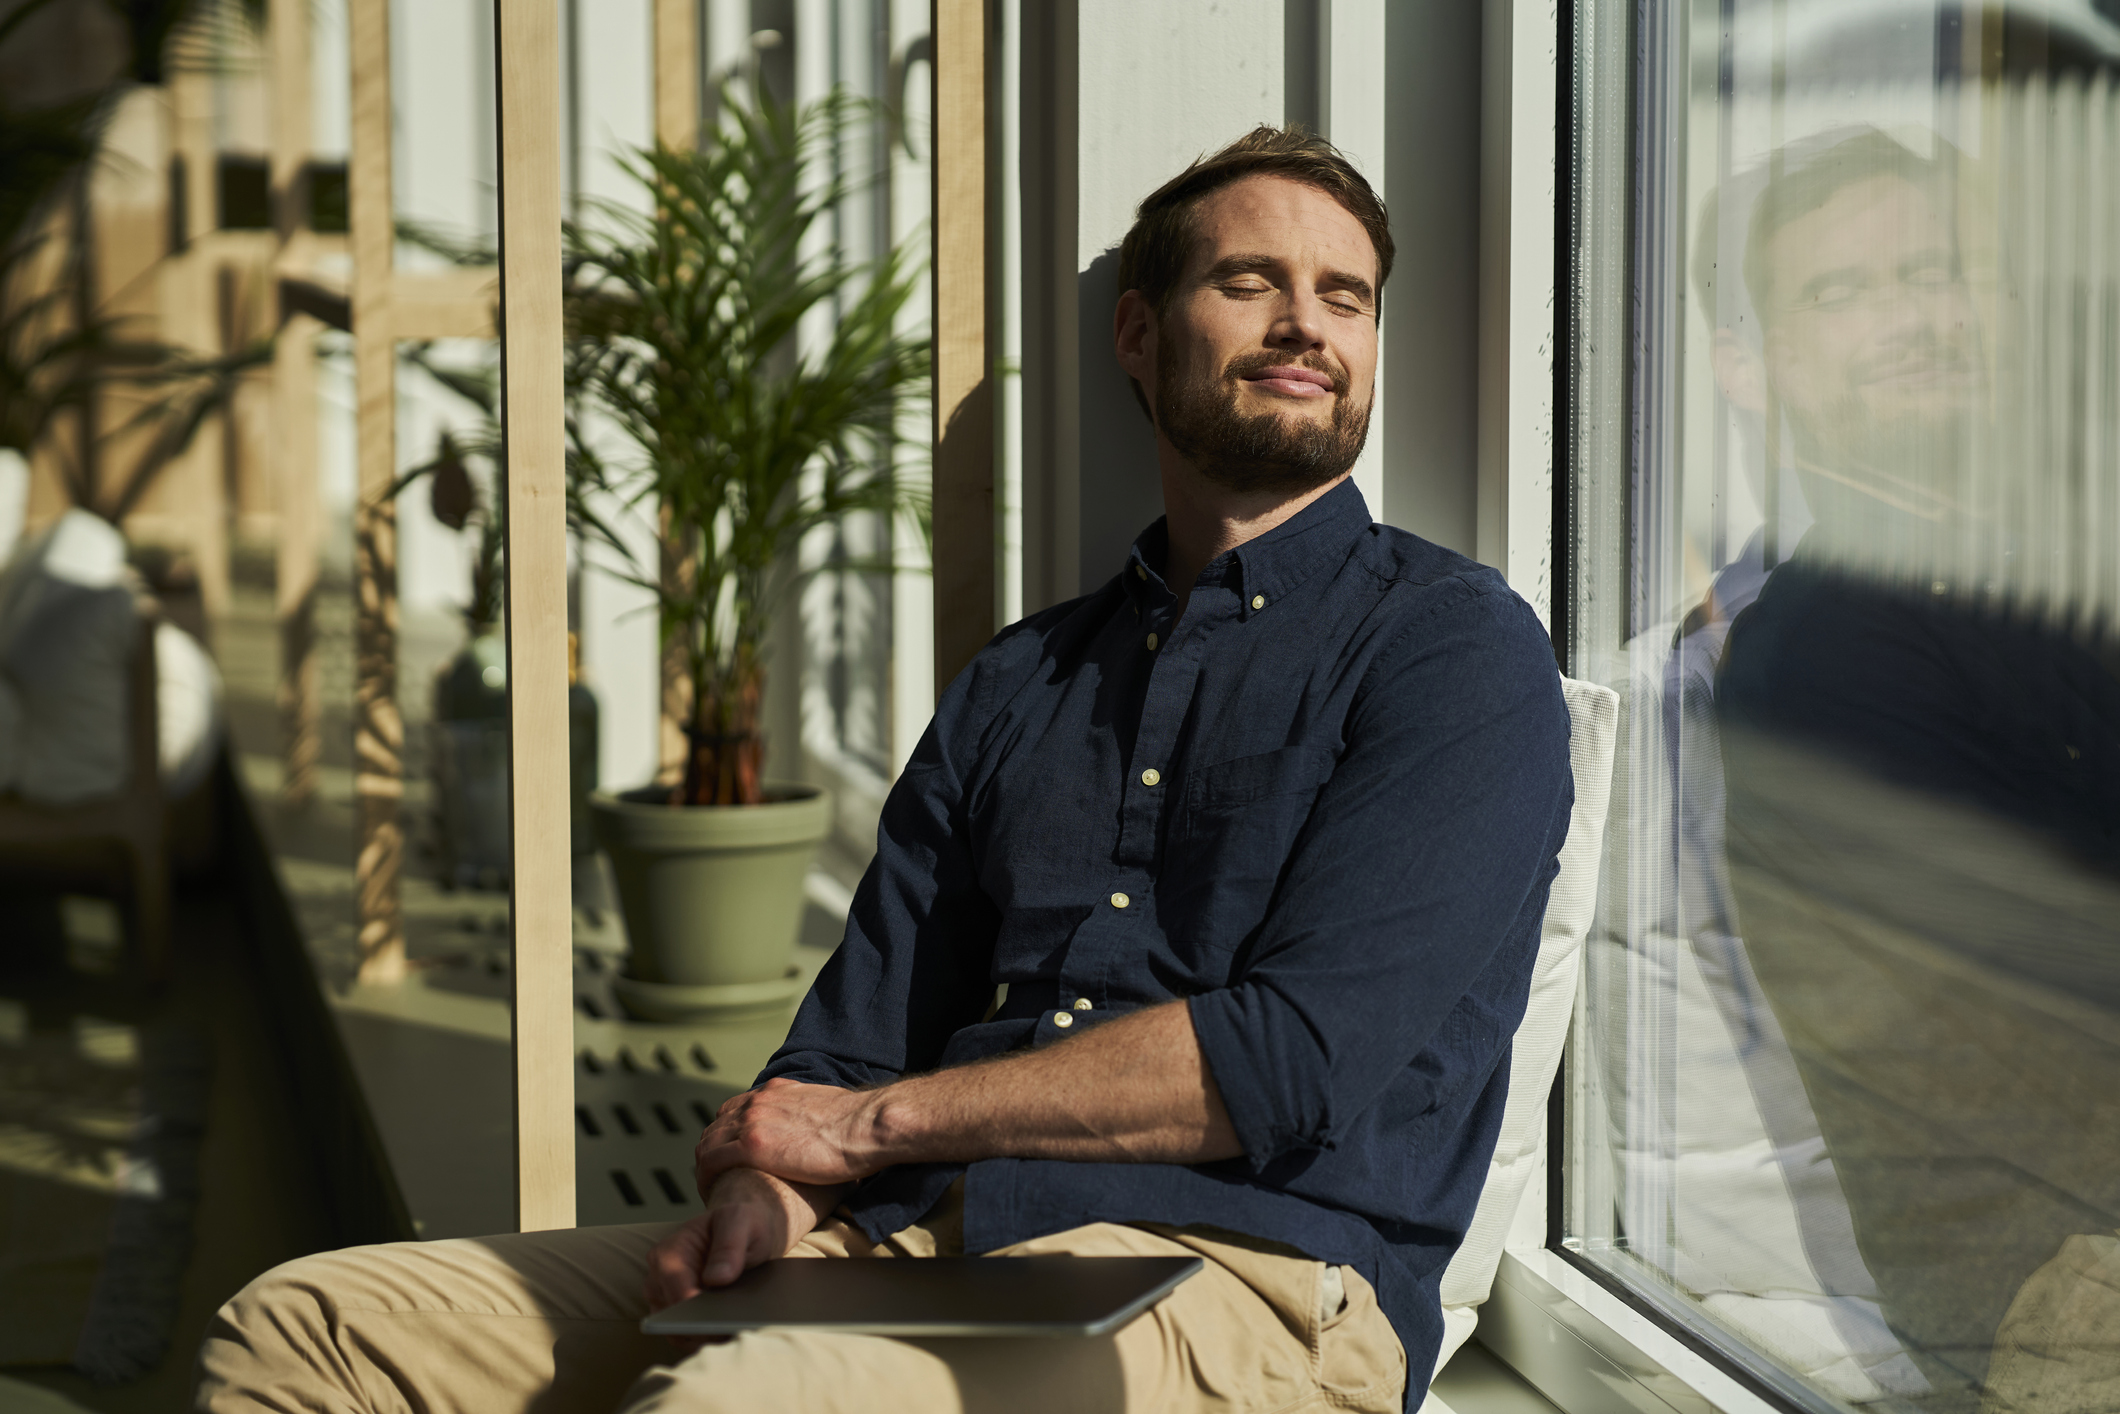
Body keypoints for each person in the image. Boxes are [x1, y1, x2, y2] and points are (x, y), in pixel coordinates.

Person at [194, 125, 1574, 1414]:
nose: (1307, 326)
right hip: (913, 1239)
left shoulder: (1451, 650)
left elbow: (1285, 1062)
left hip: (1249, 1280)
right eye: (1251, 281)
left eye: (1346, 297)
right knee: (304, 1326)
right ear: (1139, 335)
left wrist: (865, 1129)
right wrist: (769, 1195)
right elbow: (851, 1039)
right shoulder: (1024, 680)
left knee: (738, 1401)